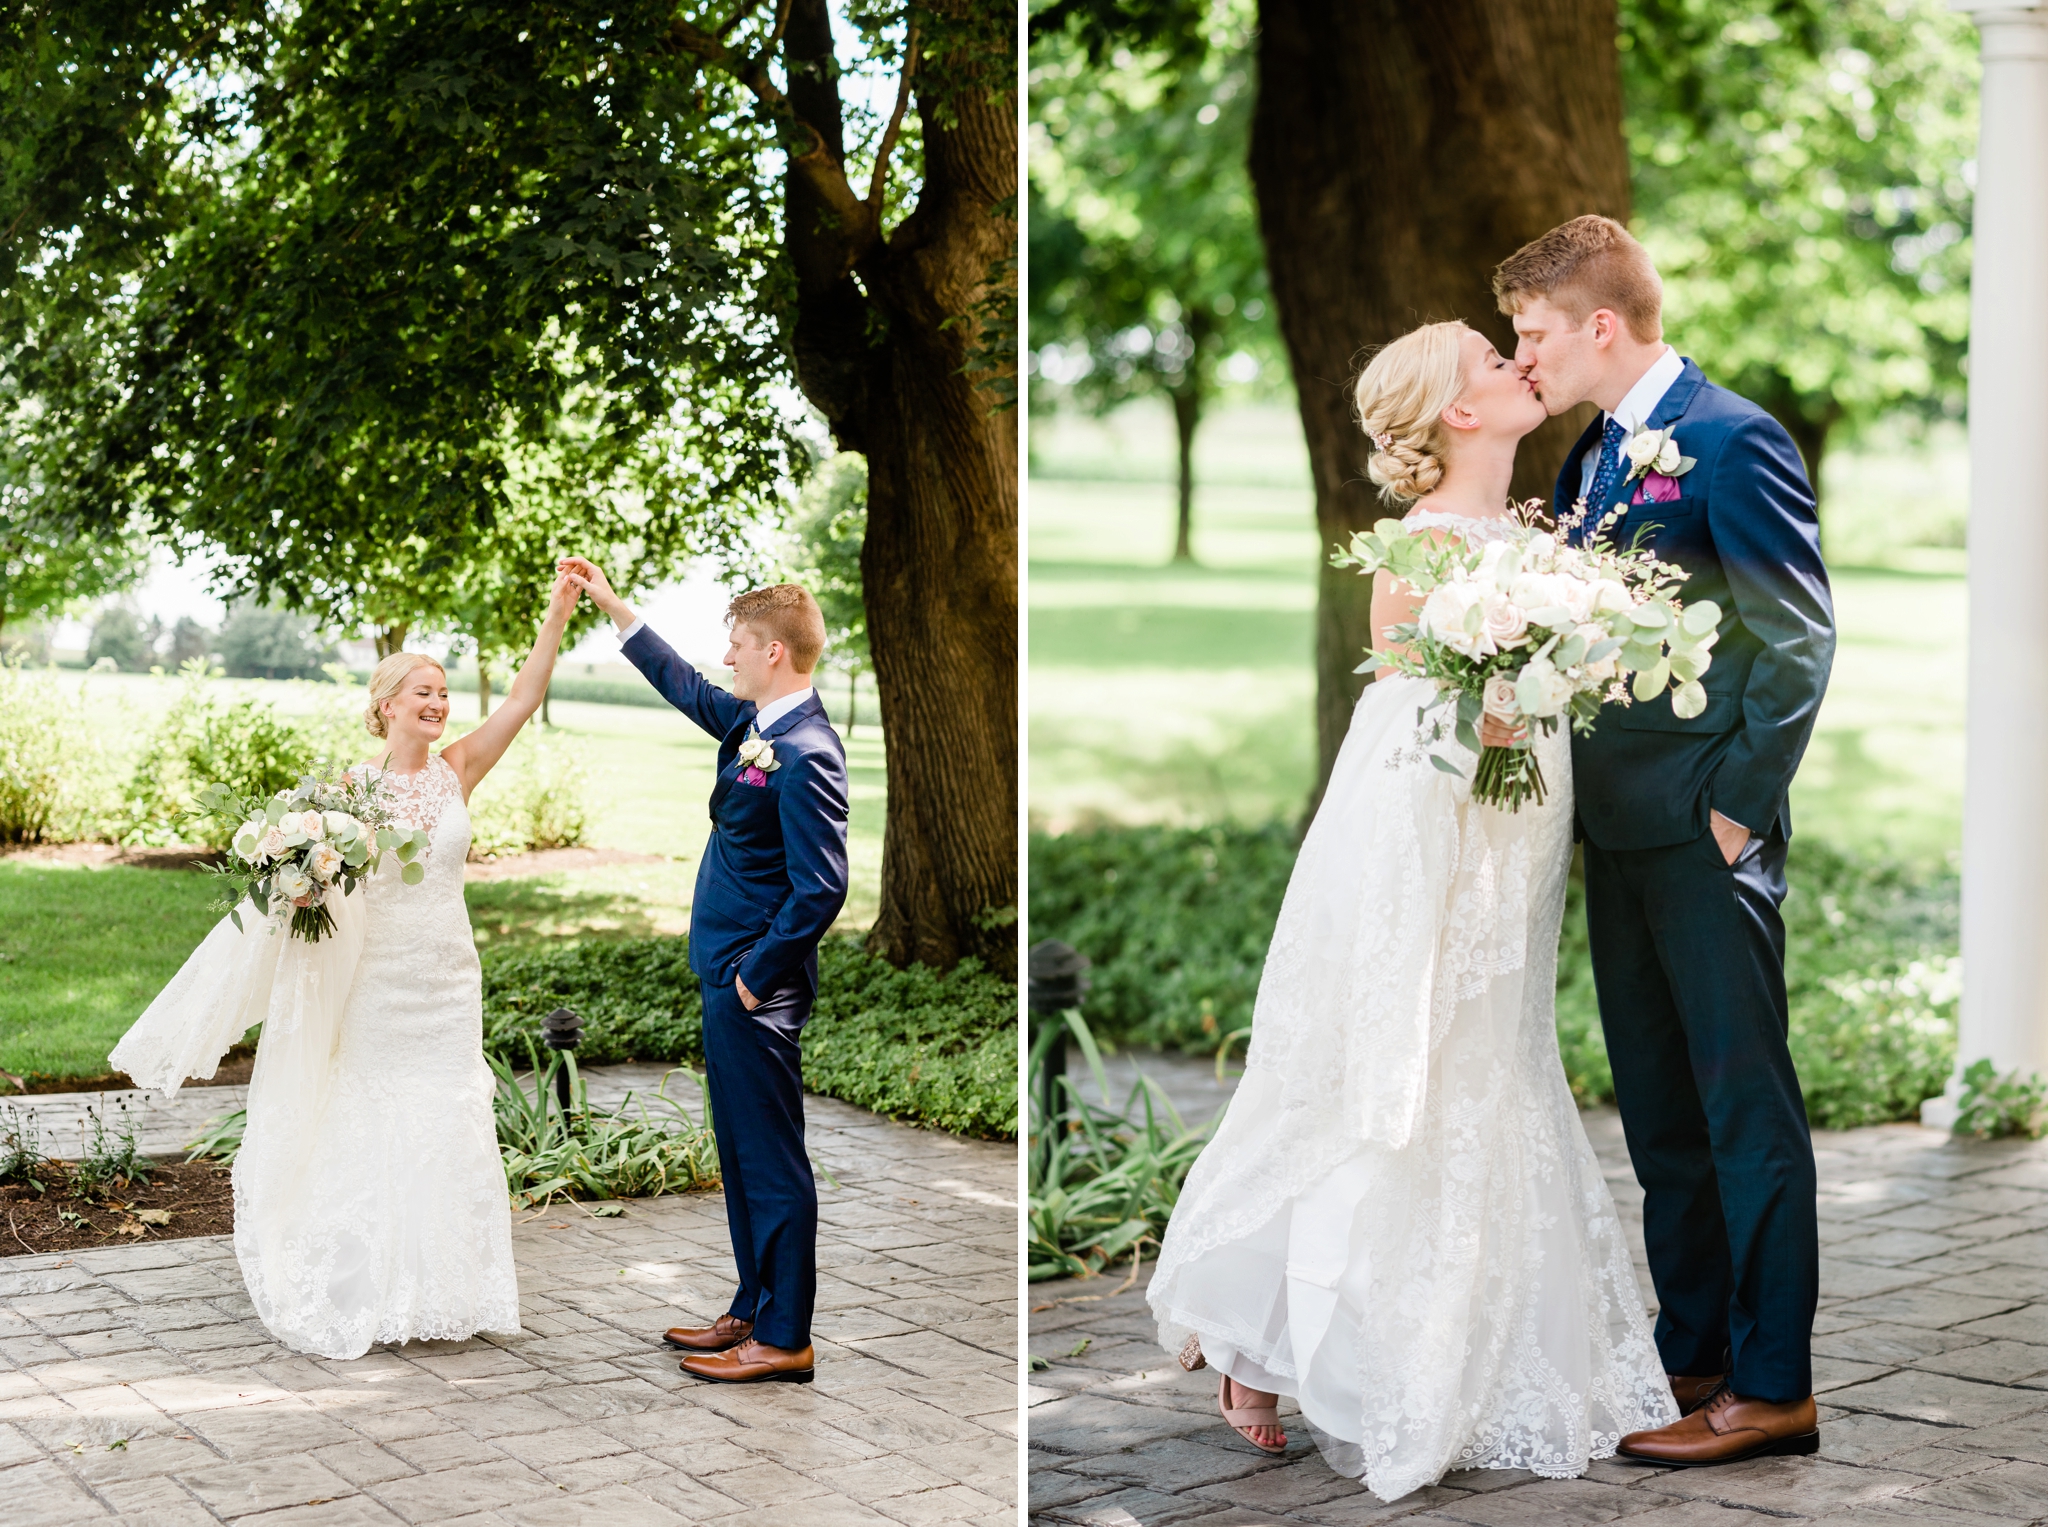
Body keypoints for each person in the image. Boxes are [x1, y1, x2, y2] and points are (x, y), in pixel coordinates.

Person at [1147, 319, 1676, 1502]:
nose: (1514, 365)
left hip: (1521, 818)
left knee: (1492, 1058)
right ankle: (1252, 1343)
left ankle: (1464, 1361)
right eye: (1493, 361)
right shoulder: (1422, 545)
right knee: (1391, 1063)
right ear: (1457, 412)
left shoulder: (1543, 530)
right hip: (1426, 824)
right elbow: (1400, 703)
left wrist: (1558, 654)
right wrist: (1491, 688)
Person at [1497, 214, 1834, 1466]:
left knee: (1741, 1108)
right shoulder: (1590, 457)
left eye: (1528, 332)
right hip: (1613, 829)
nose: (1517, 354)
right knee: (1657, 1113)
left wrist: (1735, 805)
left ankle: (1772, 1384)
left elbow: (1795, 637)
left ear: (1596, 324)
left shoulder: (1734, 442)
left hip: (1703, 830)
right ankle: (1691, 1356)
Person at [111, 572, 582, 1359]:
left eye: (442, 693)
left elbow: (525, 698)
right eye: (422, 692)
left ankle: (447, 1288)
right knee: (373, 1108)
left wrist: (558, 611)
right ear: (387, 703)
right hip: (378, 978)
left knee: (446, 1112)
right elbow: (309, 882)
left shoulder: (457, 768)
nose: (437, 703)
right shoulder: (345, 792)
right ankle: (366, 1283)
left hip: (447, 977)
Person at [558, 558, 849, 1386]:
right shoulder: (756, 727)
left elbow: (822, 885)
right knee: (740, 1151)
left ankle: (786, 1335)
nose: (728, 658)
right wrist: (616, 610)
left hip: (756, 987)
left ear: (777, 656)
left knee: (772, 1161)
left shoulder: (805, 749)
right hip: (725, 977)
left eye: (740, 647)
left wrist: (756, 978)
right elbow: (686, 685)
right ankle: (752, 1306)